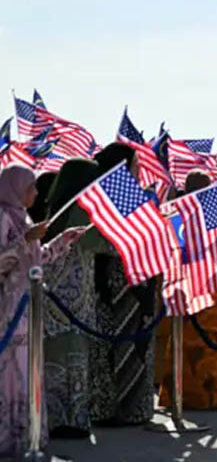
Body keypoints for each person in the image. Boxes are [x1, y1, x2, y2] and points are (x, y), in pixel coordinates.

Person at [0, 164, 83, 457]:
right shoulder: (3, 216)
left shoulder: (21, 217)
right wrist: (26, 239)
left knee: (27, 367)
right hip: (9, 311)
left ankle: (29, 434)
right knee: (10, 372)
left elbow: (38, 258)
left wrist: (62, 242)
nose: (36, 193)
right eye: (31, 187)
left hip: (29, 307)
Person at [89, 143, 159, 426]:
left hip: (136, 287)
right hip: (113, 285)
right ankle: (108, 408)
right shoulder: (103, 199)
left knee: (135, 348)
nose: (138, 171)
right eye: (134, 166)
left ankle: (134, 408)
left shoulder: (134, 198)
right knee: (109, 349)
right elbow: (108, 243)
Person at [158, 170, 217, 410]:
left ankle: (181, 395)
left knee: (190, 340)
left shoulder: (174, 211)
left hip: (189, 284)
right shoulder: (195, 211)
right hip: (203, 284)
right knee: (202, 339)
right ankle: (207, 396)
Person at [42, 159, 106, 438]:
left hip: (60, 294)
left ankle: (56, 418)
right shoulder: (80, 209)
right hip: (71, 296)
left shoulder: (58, 206)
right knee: (72, 357)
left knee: (58, 357)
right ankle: (70, 420)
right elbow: (97, 243)